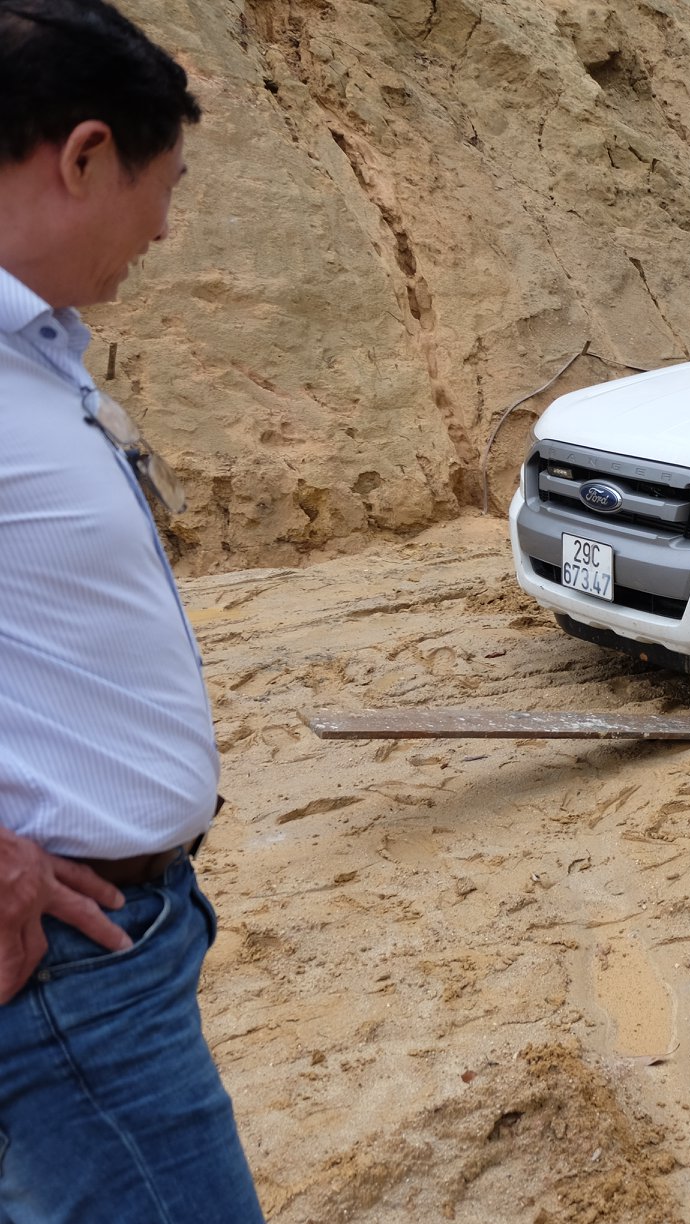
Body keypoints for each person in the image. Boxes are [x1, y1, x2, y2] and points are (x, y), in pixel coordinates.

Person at [0, 2, 264, 1220]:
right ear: (87, 155)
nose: (163, 228)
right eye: (169, 184)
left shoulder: (36, 349)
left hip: (108, 946)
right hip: (71, 975)